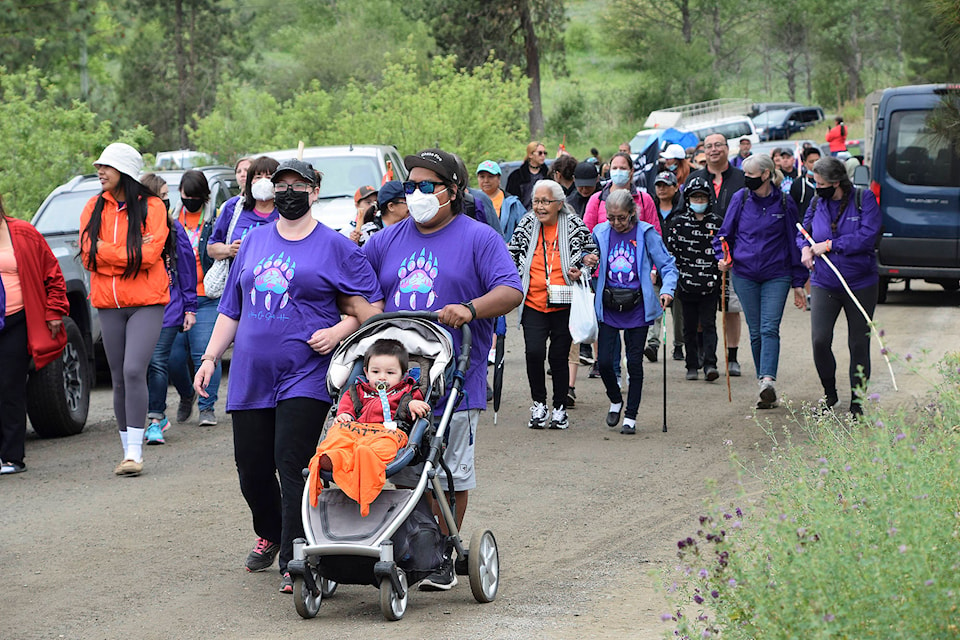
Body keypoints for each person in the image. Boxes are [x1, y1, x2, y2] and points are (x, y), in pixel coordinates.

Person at [194, 158, 384, 594]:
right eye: (281, 185)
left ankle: (296, 555)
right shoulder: (254, 241)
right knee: (251, 470)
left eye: (298, 185)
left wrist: (339, 330)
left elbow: (369, 310)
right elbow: (231, 309)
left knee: (291, 462)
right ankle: (273, 530)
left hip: (305, 373)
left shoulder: (335, 246)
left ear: (315, 191)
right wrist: (209, 358)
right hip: (250, 374)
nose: (288, 192)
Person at [363, 147, 523, 591]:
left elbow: (511, 290)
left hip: (456, 375)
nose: (417, 193)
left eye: (427, 186)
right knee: (398, 463)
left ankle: (439, 553)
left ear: (453, 191)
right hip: (394, 380)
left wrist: (471, 309)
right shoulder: (387, 239)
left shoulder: (478, 238)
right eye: (411, 186)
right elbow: (358, 285)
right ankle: (403, 545)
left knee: (448, 469)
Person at [80, 142, 170, 476]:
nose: (100, 171)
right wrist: (126, 254)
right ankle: (127, 452)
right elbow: (88, 254)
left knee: (134, 370)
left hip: (147, 302)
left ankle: (136, 452)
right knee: (118, 376)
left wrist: (110, 253)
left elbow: (149, 256)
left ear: (126, 172)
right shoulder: (92, 207)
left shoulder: (153, 206)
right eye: (99, 166)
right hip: (108, 303)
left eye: (107, 166)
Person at [713, 153, 807, 410]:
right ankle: (763, 384)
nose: (746, 180)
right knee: (755, 331)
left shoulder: (785, 202)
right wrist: (723, 257)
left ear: (766, 174)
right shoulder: (740, 198)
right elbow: (724, 236)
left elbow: (794, 243)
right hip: (744, 274)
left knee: (769, 327)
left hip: (777, 274)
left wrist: (799, 282)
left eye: (751, 176)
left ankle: (768, 381)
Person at [507, 180, 598, 430]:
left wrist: (583, 267)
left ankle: (559, 407)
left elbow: (591, 254)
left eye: (545, 201)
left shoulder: (574, 224)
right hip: (534, 302)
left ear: (559, 204)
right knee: (534, 353)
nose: (540, 206)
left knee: (558, 357)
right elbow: (513, 254)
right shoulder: (527, 223)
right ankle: (539, 404)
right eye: (536, 201)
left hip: (564, 303)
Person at [310, 338, 431, 516]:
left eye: (390, 373)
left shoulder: (405, 391)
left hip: (387, 432)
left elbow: (411, 404)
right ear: (366, 372)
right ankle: (334, 457)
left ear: (403, 374)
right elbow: (346, 405)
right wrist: (346, 415)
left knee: (382, 445)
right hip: (356, 431)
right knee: (338, 433)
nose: (382, 377)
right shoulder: (357, 390)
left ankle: (367, 458)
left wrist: (413, 404)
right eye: (376, 371)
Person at [799, 156, 881, 415]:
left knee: (858, 343)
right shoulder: (816, 201)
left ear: (836, 183)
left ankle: (857, 403)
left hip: (860, 283)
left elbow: (868, 236)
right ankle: (830, 394)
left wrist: (832, 245)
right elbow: (803, 231)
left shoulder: (863, 198)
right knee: (820, 340)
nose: (816, 187)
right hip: (825, 282)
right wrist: (805, 250)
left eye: (820, 183)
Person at [202, 155, 280, 425]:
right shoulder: (233, 208)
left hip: (274, 292)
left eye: (269, 176)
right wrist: (229, 249)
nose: (262, 182)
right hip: (238, 290)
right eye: (257, 176)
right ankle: (240, 403)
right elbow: (211, 247)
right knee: (239, 345)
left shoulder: (286, 211)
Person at [592, 189, 677, 435]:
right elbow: (588, 258)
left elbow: (668, 266)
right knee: (605, 362)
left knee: (635, 362)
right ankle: (615, 399)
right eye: (611, 218)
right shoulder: (600, 232)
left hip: (638, 306)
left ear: (632, 213)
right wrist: (585, 263)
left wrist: (667, 290)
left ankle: (630, 415)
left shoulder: (646, 233)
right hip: (608, 305)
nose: (616, 223)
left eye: (621, 217)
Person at [0, 194, 69, 475]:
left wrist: (54, 311)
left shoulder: (23, 233)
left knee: (9, 386)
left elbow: (52, 273)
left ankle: (11, 456)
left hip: (15, 321)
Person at [140, 173, 197, 444]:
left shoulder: (174, 230)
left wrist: (190, 307)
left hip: (170, 305)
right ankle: (161, 410)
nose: (166, 201)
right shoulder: (132, 229)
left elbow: (186, 270)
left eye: (167, 196)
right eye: (161, 196)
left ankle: (155, 419)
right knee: (144, 365)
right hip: (139, 306)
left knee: (159, 361)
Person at [684, 133, 746, 377]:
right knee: (702, 310)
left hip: (734, 254)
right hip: (699, 254)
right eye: (708, 146)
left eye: (718, 145)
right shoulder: (695, 178)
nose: (713, 150)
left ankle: (733, 357)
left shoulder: (741, 179)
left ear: (727, 148)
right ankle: (703, 354)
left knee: (731, 307)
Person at [665, 176, 722, 381]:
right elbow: (670, 254)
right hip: (685, 284)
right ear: (687, 199)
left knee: (709, 324)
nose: (699, 201)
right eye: (695, 197)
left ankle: (710, 364)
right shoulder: (677, 223)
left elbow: (723, 251)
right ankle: (691, 364)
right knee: (688, 326)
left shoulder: (717, 223)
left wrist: (723, 264)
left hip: (710, 284)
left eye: (702, 197)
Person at [652, 171, 685, 361]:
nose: (662, 189)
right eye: (658, 185)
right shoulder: (652, 209)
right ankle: (653, 344)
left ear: (675, 187)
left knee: (678, 311)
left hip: (676, 266)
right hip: (654, 266)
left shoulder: (681, 210)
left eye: (666, 185)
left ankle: (679, 345)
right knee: (654, 306)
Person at [583, 152, 661, 234]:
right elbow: (587, 233)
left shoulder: (644, 199)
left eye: (623, 168)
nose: (618, 171)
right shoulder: (597, 199)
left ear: (631, 171)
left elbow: (655, 233)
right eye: (614, 168)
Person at [476, 160, 526, 242]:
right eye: (482, 177)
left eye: (490, 176)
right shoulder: (472, 201)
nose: (486, 180)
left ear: (499, 179)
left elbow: (524, 229)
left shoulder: (513, 203)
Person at [357, 180, 408, 246]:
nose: (410, 206)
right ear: (391, 206)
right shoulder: (369, 234)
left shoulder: (412, 228)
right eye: (406, 202)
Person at [505, 141, 550, 210]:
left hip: (544, 214)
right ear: (530, 155)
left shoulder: (548, 175)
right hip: (521, 215)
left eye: (545, 153)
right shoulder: (516, 176)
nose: (543, 155)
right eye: (540, 153)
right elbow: (509, 200)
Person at [790, 146, 822, 215]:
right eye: (811, 162)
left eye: (817, 160)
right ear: (804, 163)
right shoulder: (798, 184)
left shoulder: (828, 181)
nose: (815, 164)